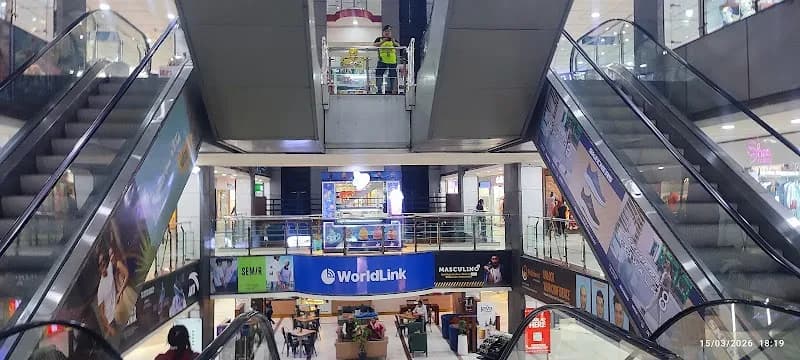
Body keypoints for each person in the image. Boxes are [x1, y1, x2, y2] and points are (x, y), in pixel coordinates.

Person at [373, 25, 400, 94]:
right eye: (386, 31)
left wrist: (393, 42)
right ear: (383, 32)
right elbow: (375, 44)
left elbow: (399, 46)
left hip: (392, 61)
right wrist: (383, 41)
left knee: (392, 75)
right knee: (379, 74)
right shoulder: (379, 39)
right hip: (382, 60)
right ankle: (379, 90)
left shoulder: (393, 39)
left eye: (389, 31)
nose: (387, 33)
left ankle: (392, 90)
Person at [97, 248, 117, 336]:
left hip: (117, 313)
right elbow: (101, 314)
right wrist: (109, 328)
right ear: (98, 268)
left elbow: (112, 250)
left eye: (103, 261)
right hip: (110, 321)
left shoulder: (110, 268)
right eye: (100, 264)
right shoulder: (100, 290)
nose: (103, 264)